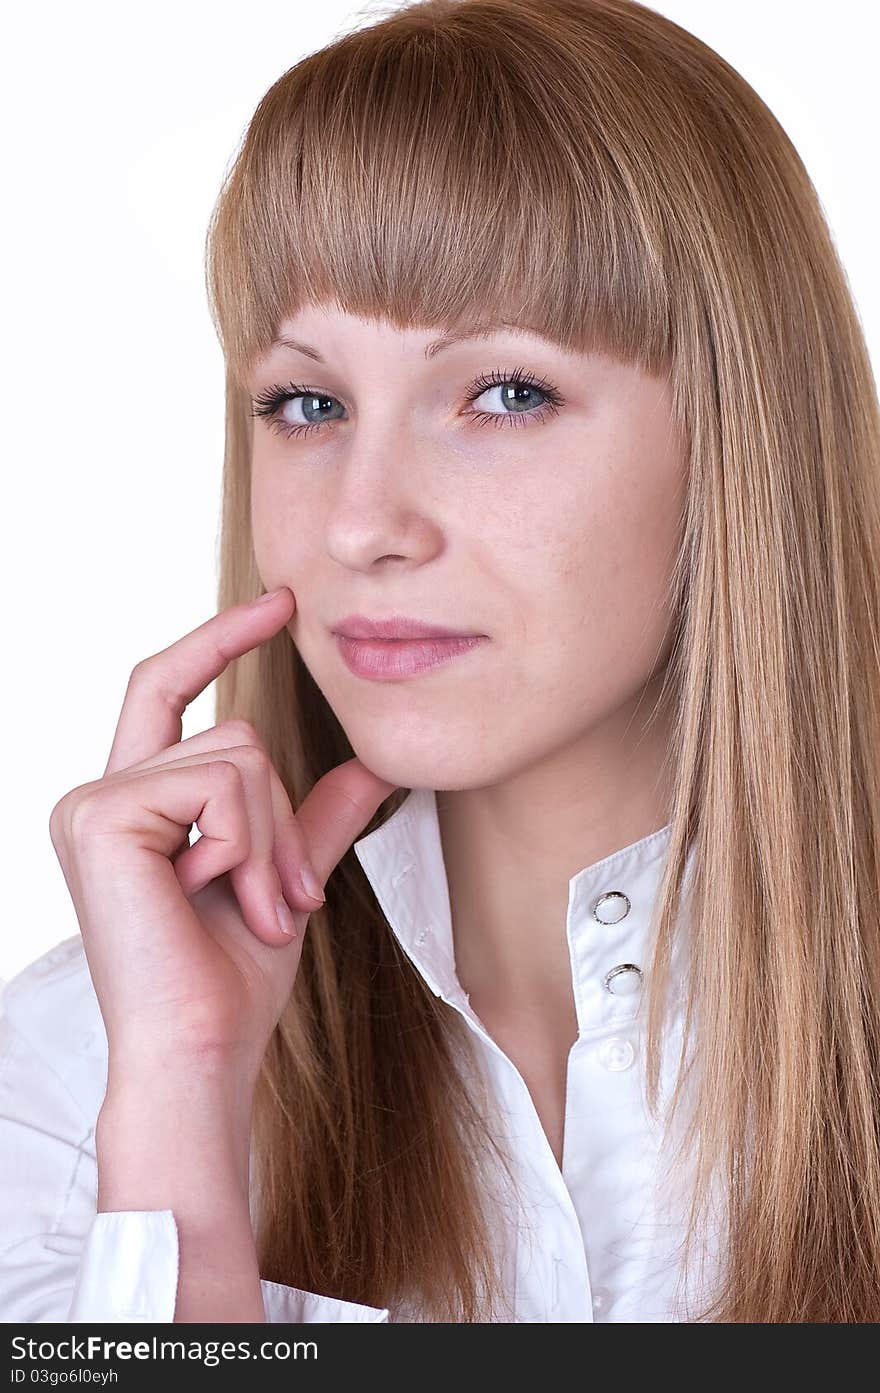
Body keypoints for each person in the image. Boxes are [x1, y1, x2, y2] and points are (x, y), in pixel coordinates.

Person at [2, 0, 879, 1324]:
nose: (362, 524)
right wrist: (180, 1124)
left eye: (505, 392)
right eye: (310, 403)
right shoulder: (86, 1071)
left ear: (735, 437)